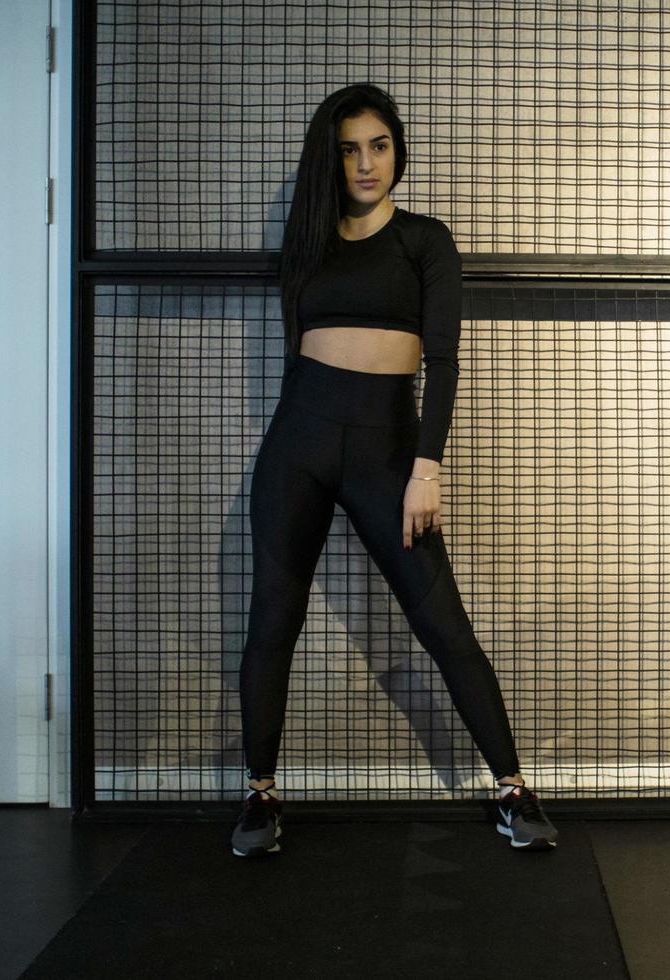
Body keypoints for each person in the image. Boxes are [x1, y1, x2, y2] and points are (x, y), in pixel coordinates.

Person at [231, 83, 557, 856]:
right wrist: (291, 449)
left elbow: (441, 363)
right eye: (349, 148)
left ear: (397, 151)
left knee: (443, 625)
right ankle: (259, 796)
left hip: (386, 452)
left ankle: (513, 789)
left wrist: (426, 467)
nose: (366, 162)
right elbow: (292, 356)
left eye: (378, 145)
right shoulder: (308, 242)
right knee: (272, 621)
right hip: (298, 446)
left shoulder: (424, 241)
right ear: (331, 158)